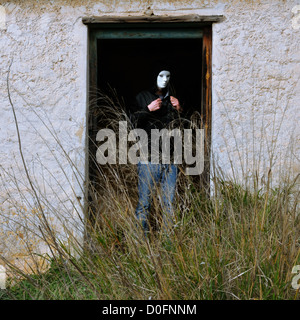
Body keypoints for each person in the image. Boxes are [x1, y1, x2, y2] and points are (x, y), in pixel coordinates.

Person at [131, 66, 183, 235]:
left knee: (169, 205)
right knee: (144, 204)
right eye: (161, 75)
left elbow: (186, 126)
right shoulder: (142, 97)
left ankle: (169, 247)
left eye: (168, 76)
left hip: (170, 159)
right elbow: (131, 123)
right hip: (148, 158)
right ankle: (141, 246)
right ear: (154, 76)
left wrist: (179, 110)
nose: (165, 79)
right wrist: (147, 109)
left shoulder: (174, 100)